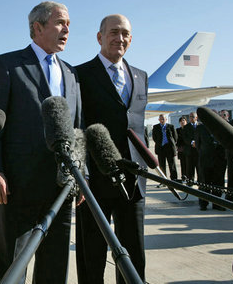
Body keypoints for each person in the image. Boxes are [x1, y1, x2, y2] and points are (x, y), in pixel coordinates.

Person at [0, 1, 82, 284]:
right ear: (37, 27)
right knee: (12, 265)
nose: (67, 30)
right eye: (61, 23)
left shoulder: (71, 74)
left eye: (69, 24)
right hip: (17, 187)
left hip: (61, 188)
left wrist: (81, 175)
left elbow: (78, 129)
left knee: (55, 264)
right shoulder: (7, 64)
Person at [75, 14, 148, 284]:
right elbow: (77, 126)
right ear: (99, 37)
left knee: (134, 256)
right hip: (96, 179)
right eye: (114, 32)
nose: (120, 38)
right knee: (91, 254)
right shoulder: (79, 74)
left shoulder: (141, 76)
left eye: (126, 33)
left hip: (135, 179)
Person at [195, 115, 226, 211]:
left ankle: (217, 204)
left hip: (219, 160)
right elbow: (198, 144)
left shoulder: (221, 127)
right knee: (204, 182)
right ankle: (203, 203)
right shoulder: (200, 127)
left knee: (218, 183)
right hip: (205, 160)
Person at [152, 114, 178, 182]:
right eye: (160, 119)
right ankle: (163, 180)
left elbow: (175, 137)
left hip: (169, 148)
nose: (162, 120)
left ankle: (174, 179)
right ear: (159, 120)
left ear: (166, 119)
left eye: (163, 119)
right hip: (161, 148)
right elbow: (154, 138)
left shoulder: (171, 126)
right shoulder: (155, 127)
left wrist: (171, 144)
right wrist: (159, 142)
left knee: (172, 164)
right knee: (162, 165)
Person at [182, 112, 200, 184]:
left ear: (196, 117)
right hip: (190, 150)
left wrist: (197, 143)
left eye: (192, 116)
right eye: (189, 117)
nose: (191, 118)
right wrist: (192, 142)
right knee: (190, 167)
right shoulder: (186, 127)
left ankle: (200, 182)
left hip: (199, 150)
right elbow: (185, 138)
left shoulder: (201, 126)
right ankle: (190, 182)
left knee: (199, 167)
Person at [176, 116, 188, 181]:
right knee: (182, 164)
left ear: (186, 121)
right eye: (181, 121)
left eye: (183, 120)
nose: (182, 122)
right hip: (181, 149)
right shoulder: (177, 130)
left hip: (188, 149)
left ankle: (189, 178)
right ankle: (183, 177)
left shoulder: (189, 129)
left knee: (189, 165)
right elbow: (176, 139)